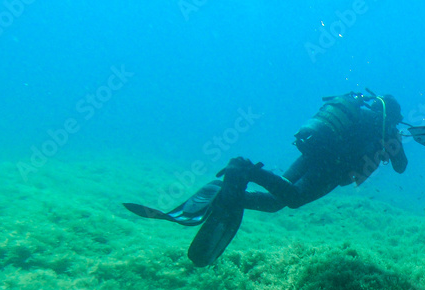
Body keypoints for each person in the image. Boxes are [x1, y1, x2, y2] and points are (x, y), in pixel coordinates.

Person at [124, 91, 408, 266]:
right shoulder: (385, 129)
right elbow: (401, 167)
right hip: (334, 166)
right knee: (293, 199)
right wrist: (398, 140)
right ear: (392, 116)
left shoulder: (359, 113)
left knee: (275, 202)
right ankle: (249, 171)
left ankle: (231, 192)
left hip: (316, 151)